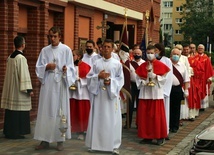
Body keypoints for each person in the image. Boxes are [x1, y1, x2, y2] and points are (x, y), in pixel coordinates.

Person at [34, 26, 76, 151]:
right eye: (50, 36)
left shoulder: (66, 50)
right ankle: (44, 139)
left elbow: (71, 68)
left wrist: (66, 70)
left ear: (60, 36)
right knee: (45, 110)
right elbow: (38, 67)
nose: (52, 38)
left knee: (60, 111)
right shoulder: (44, 50)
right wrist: (47, 66)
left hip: (60, 83)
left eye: (54, 36)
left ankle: (60, 140)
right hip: (48, 83)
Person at [85, 39, 124, 155]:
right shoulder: (96, 63)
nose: (106, 49)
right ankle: (96, 144)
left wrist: (111, 82)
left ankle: (113, 145)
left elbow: (120, 80)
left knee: (112, 120)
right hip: (99, 96)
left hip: (110, 96)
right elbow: (89, 77)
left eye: (108, 47)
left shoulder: (117, 64)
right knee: (98, 118)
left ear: (112, 49)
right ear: (101, 48)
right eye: (104, 47)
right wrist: (98, 76)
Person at [136, 45, 170, 146]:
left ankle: (160, 136)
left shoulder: (161, 65)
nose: (149, 55)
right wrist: (143, 82)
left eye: (151, 53)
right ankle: (147, 136)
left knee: (157, 116)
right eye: (148, 53)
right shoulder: (142, 65)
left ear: (156, 53)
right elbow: (138, 78)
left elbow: (164, 79)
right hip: (145, 93)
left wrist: (156, 76)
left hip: (156, 93)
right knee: (145, 116)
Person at [1, 36, 34, 139]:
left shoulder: (10, 56)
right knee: (19, 110)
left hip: (11, 88)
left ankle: (9, 131)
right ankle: (17, 132)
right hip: (18, 90)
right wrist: (29, 89)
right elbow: (24, 74)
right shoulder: (21, 58)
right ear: (23, 45)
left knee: (11, 110)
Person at [69, 49, 91, 140]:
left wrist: (80, 80)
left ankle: (81, 131)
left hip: (83, 93)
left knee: (82, 112)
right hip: (72, 92)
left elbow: (89, 79)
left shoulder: (86, 66)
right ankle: (72, 130)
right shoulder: (70, 66)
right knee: (73, 111)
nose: (72, 57)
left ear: (79, 56)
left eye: (73, 55)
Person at [154, 43, 173, 139]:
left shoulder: (167, 61)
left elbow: (169, 77)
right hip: (153, 91)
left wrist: (165, 90)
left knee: (164, 113)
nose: (154, 52)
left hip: (163, 90)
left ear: (160, 50)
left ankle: (165, 131)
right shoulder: (151, 60)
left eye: (156, 50)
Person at [169, 48, 190, 133]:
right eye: (174, 54)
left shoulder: (182, 66)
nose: (175, 56)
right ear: (171, 55)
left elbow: (186, 79)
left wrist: (186, 90)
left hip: (177, 89)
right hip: (168, 89)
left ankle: (175, 126)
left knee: (176, 108)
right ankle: (168, 125)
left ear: (180, 56)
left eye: (177, 55)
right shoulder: (167, 64)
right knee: (168, 108)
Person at [129, 48, 145, 128]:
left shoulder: (144, 63)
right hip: (132, 85)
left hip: (141, 86)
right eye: (135, 53)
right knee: (130, 104)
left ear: (141, 54)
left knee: (140, 105)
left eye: (138, 53)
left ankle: (139, 123)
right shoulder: (130, 63)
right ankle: (128, 123)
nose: (137, 55)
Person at [195, 44, 213, 110]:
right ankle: (197, 105)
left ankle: (202, 106)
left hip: (204, 78)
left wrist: (209, 77)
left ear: (204, 49)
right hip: (196, 78)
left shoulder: (206, 58)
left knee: (203, 90)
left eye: (201, 48)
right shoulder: (194, 57)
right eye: (199, 48)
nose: (200, 49)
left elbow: (209, 68)